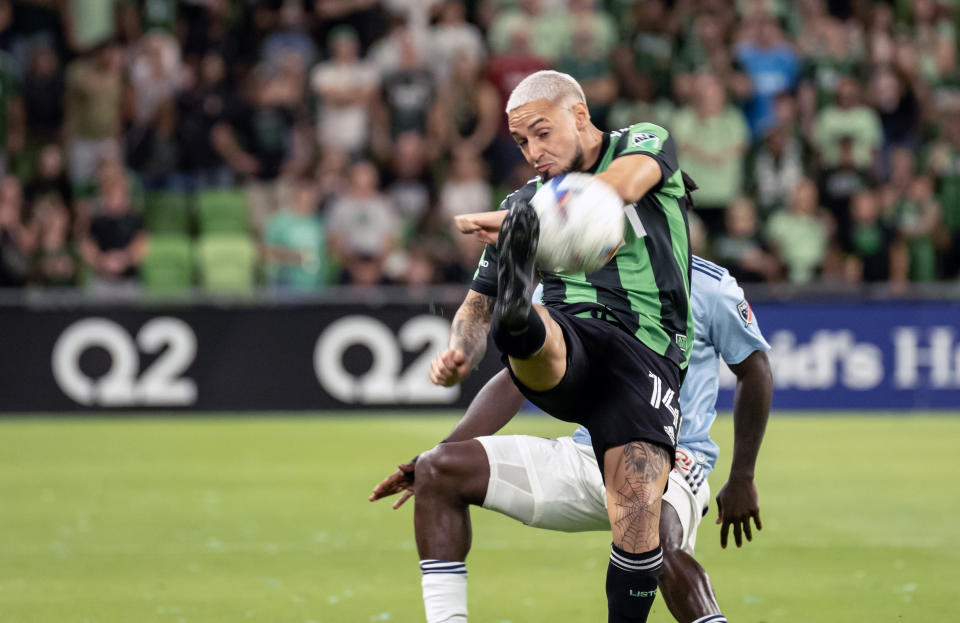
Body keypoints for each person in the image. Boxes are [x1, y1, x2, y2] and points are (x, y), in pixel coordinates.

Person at [407, 70, 694, 623]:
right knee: (531, 326)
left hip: (645, 353)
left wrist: (526, 223)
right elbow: (473, 307)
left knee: (637, 519)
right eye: (521, 142)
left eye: (542, 133)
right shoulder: (523, 199)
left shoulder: (643, 142)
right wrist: (460, 350)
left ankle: (523, 313)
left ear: (580, 115)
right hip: (570, 340)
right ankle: (521, 320)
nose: (534, 151)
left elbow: (618, 191)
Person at [371, 257, 773, 623]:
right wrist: (438, 452)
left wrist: (742, 476)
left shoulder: (706, 284)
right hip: (586, 452)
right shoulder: (569, 279)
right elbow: (517, 381)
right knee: (438, 470)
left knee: (654, 544)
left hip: (672, 458)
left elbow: (754, 369)